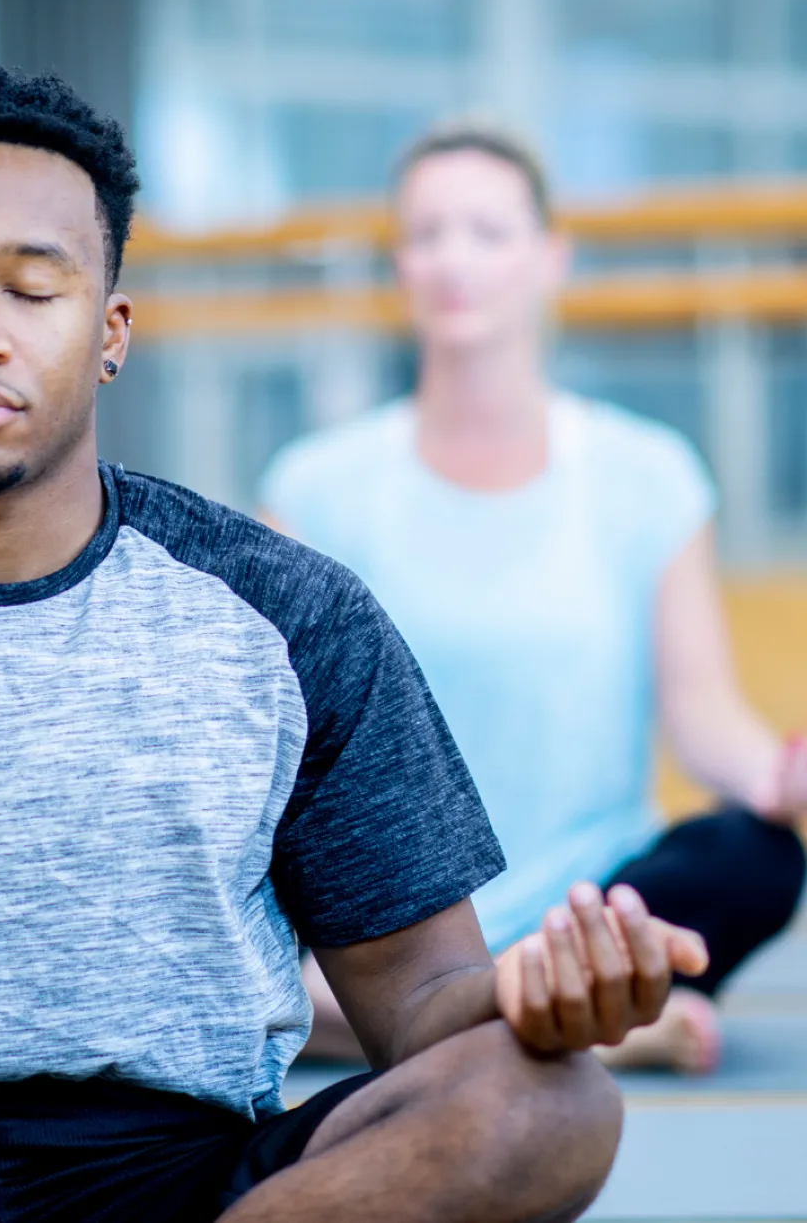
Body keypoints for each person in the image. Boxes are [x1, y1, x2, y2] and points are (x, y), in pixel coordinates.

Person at [0, 65, 707, 1222]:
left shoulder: (286, 613)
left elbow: (419, 1001)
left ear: (109, 330)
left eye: (33, 291)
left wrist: (537, 993)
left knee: (546, 1104)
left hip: (185, 1180)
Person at [260, 118, 807, 1077]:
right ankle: (578, 1021)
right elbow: (280, 750)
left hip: (588, 905)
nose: (453, 259)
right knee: (247, 931)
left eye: (488, 231)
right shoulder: (314, 487)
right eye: (426, 235)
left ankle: (506, 1004)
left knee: (752, 857)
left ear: (550, 258)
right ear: (400, 266)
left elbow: (704, 716)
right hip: (388, 922)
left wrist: (778, 783)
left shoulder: (650, 474)